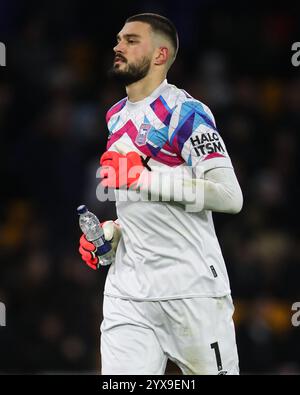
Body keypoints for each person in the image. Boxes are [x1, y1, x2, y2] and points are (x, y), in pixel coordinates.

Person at [79, 13, 243, 375]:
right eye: (119, 39)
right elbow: (139, 204)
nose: (117, 46)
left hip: (191, 291)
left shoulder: (185, 113)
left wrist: (142, 177)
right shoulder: (115, 116)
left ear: (160, 55)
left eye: (131, 40)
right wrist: (113, 235)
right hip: (128, 293)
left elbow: (230, 196)